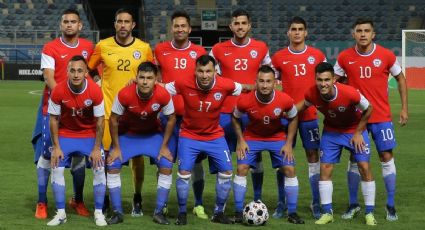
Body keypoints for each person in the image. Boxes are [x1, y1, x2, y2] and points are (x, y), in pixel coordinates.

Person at [334, 18, 408, 221]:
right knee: (355, 159)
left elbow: (401, 78)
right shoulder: (344, 57)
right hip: (355, 120)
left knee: (386, 157)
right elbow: (333, 81)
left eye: (367, 30)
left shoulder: (386, 55)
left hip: (381, 117)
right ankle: (353, 204)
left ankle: (390, 205)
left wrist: (403, 108)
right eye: (359, 30)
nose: (363, 34)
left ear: (373, 34)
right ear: (353, 34)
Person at [164, 55, 249, 225]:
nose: (204, 75)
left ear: (215, 71)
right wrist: (137, 82)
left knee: (226, 172)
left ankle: (218, 212)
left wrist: (265, 88)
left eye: (208, 71)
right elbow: (161, 89)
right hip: (189, 135)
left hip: (214, 136)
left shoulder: (225, 84)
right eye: (200, 71)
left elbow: (246, 88)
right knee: (184, 174)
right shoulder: (183, 83)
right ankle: (182, 213)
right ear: (195, 71)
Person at [88, 8, 153, 216]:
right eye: (119, 21)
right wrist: (98, 82)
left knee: (137, 159)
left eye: (127, 22)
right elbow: (89, 68)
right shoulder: (102, 45)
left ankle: (137, 198)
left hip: (135, 114)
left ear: (133, 25)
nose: (123, 25)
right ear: (115, 24)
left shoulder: (144, 48)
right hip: (108, 113)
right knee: (107, 159)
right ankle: (107, 198)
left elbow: (152, 75)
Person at [297, 62, 377, 225]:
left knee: (364, 166)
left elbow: (369, 108)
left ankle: (369, 213)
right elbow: (302, 106)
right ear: (315, 79)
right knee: (325, 168)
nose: (323, 84)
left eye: (327, 79)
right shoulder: (312, 93)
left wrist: (358, 132)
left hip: (354, 130)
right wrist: (282, 112)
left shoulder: (350, 93)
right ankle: (327, 213)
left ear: (334, 79)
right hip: (332, 132)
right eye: (319, 79)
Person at [32, 8, 93, 219]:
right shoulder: (50, 47)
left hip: (80, 113)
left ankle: (77, 200)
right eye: (65, 21)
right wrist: (67, 100)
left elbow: (91, 77)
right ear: (61, 25)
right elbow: (49, 78)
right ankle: (42, 202)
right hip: (54, 110)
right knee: (48, 156)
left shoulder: (88, 47)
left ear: (80, 25)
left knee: (78, 157)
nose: (69, 24)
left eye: (73, 21)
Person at [209, 8, 270, 204]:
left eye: (244, 23)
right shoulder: (218, 49)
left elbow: (270, 75)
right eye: (237, 23)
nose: (240, 27)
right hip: (225, 112)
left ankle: (258, 199)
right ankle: (223, 203)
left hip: (253, 112)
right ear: (231, 26)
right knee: (224, 160)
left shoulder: (261, 48)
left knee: (255, 158)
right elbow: (208, 75)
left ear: (249, 26)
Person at [232, 65, 305, 224]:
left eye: (268, 82)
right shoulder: (245, 100)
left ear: (275, 83)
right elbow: (235, 117)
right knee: (241, 168)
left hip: (276, 137)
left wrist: (288, 143)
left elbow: (294, 118)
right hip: (252, 137)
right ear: (256, 82)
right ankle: (238, 211)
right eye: (261, 81)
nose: (265, 85)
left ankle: (292, 212)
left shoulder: (284, 99)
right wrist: (241, 140)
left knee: (290, 169)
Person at [153, 10, 208, 219]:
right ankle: (163, 204)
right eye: (176, 26)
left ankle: (199, 203)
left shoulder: (199, 51)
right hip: (168, 117)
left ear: (189, 29)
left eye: (183, 26)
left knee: (196, 162)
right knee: (164, 159)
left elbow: (205, 80)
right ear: (172, 28)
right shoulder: (160, 50)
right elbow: (155, 80)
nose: (180, 29)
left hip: (192, 118)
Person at [105, 62, 176, 225]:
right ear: (136, 78)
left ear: (156, 79)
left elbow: (171, 118)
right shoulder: (124, 94)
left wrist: (164, 146)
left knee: (166, 163)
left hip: (152, 136)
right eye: (142, 77)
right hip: (130, 136)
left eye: (149, 78)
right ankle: (117, 211)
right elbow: (114, 119)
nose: (145, 82)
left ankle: (159, 212)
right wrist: (115, 147)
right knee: (112, 163)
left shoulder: (163, 94)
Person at [271, 16, 326, 219]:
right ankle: (281, 203)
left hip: (309, 116)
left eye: (300, 29)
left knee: (313, 158)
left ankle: (316, 203)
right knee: (283, 158)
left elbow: (327, 82)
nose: (296, 32)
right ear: (288, 32)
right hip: (285, 118)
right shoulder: (278, 57)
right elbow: (268, 83)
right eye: (293, 29)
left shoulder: (317, 56)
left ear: (306, 32)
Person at [46, 55, 106, 226]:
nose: (76, 74)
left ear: (86, 72)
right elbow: (53, 119)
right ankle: (61, 213)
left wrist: (96, 148)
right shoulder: (58, 90)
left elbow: (100, 121)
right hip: (66, 133)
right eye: (72, 70)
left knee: (99, 168)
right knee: (56, 166)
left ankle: (99, 213)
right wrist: (56, 147)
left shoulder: (94, 90)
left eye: (80, 70)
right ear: (67, 72)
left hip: (88, 134)